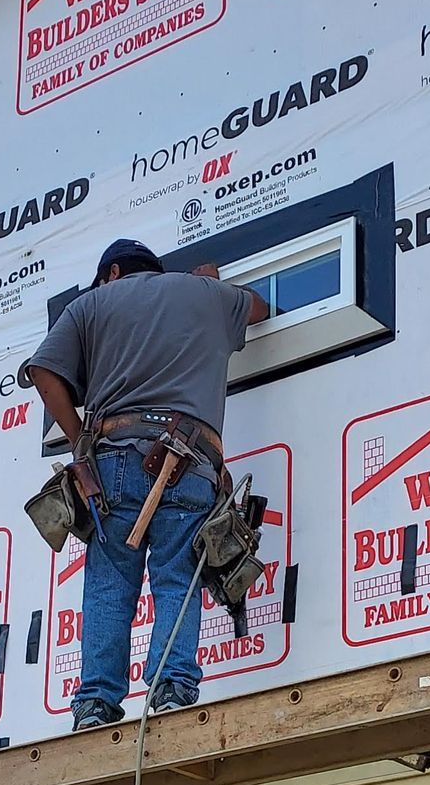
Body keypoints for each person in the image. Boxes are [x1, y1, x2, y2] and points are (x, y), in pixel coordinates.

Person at [26, 239, 268, 728]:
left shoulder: (89, 305)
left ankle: (95, 703)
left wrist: (79, 443)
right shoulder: (204, 293)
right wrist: (213, 289)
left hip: (115, 464)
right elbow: (260, 308)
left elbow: (43, 372)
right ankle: (173, 691)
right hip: (190, 461)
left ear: (112, 272)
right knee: (179, 577)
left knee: (110, 584)